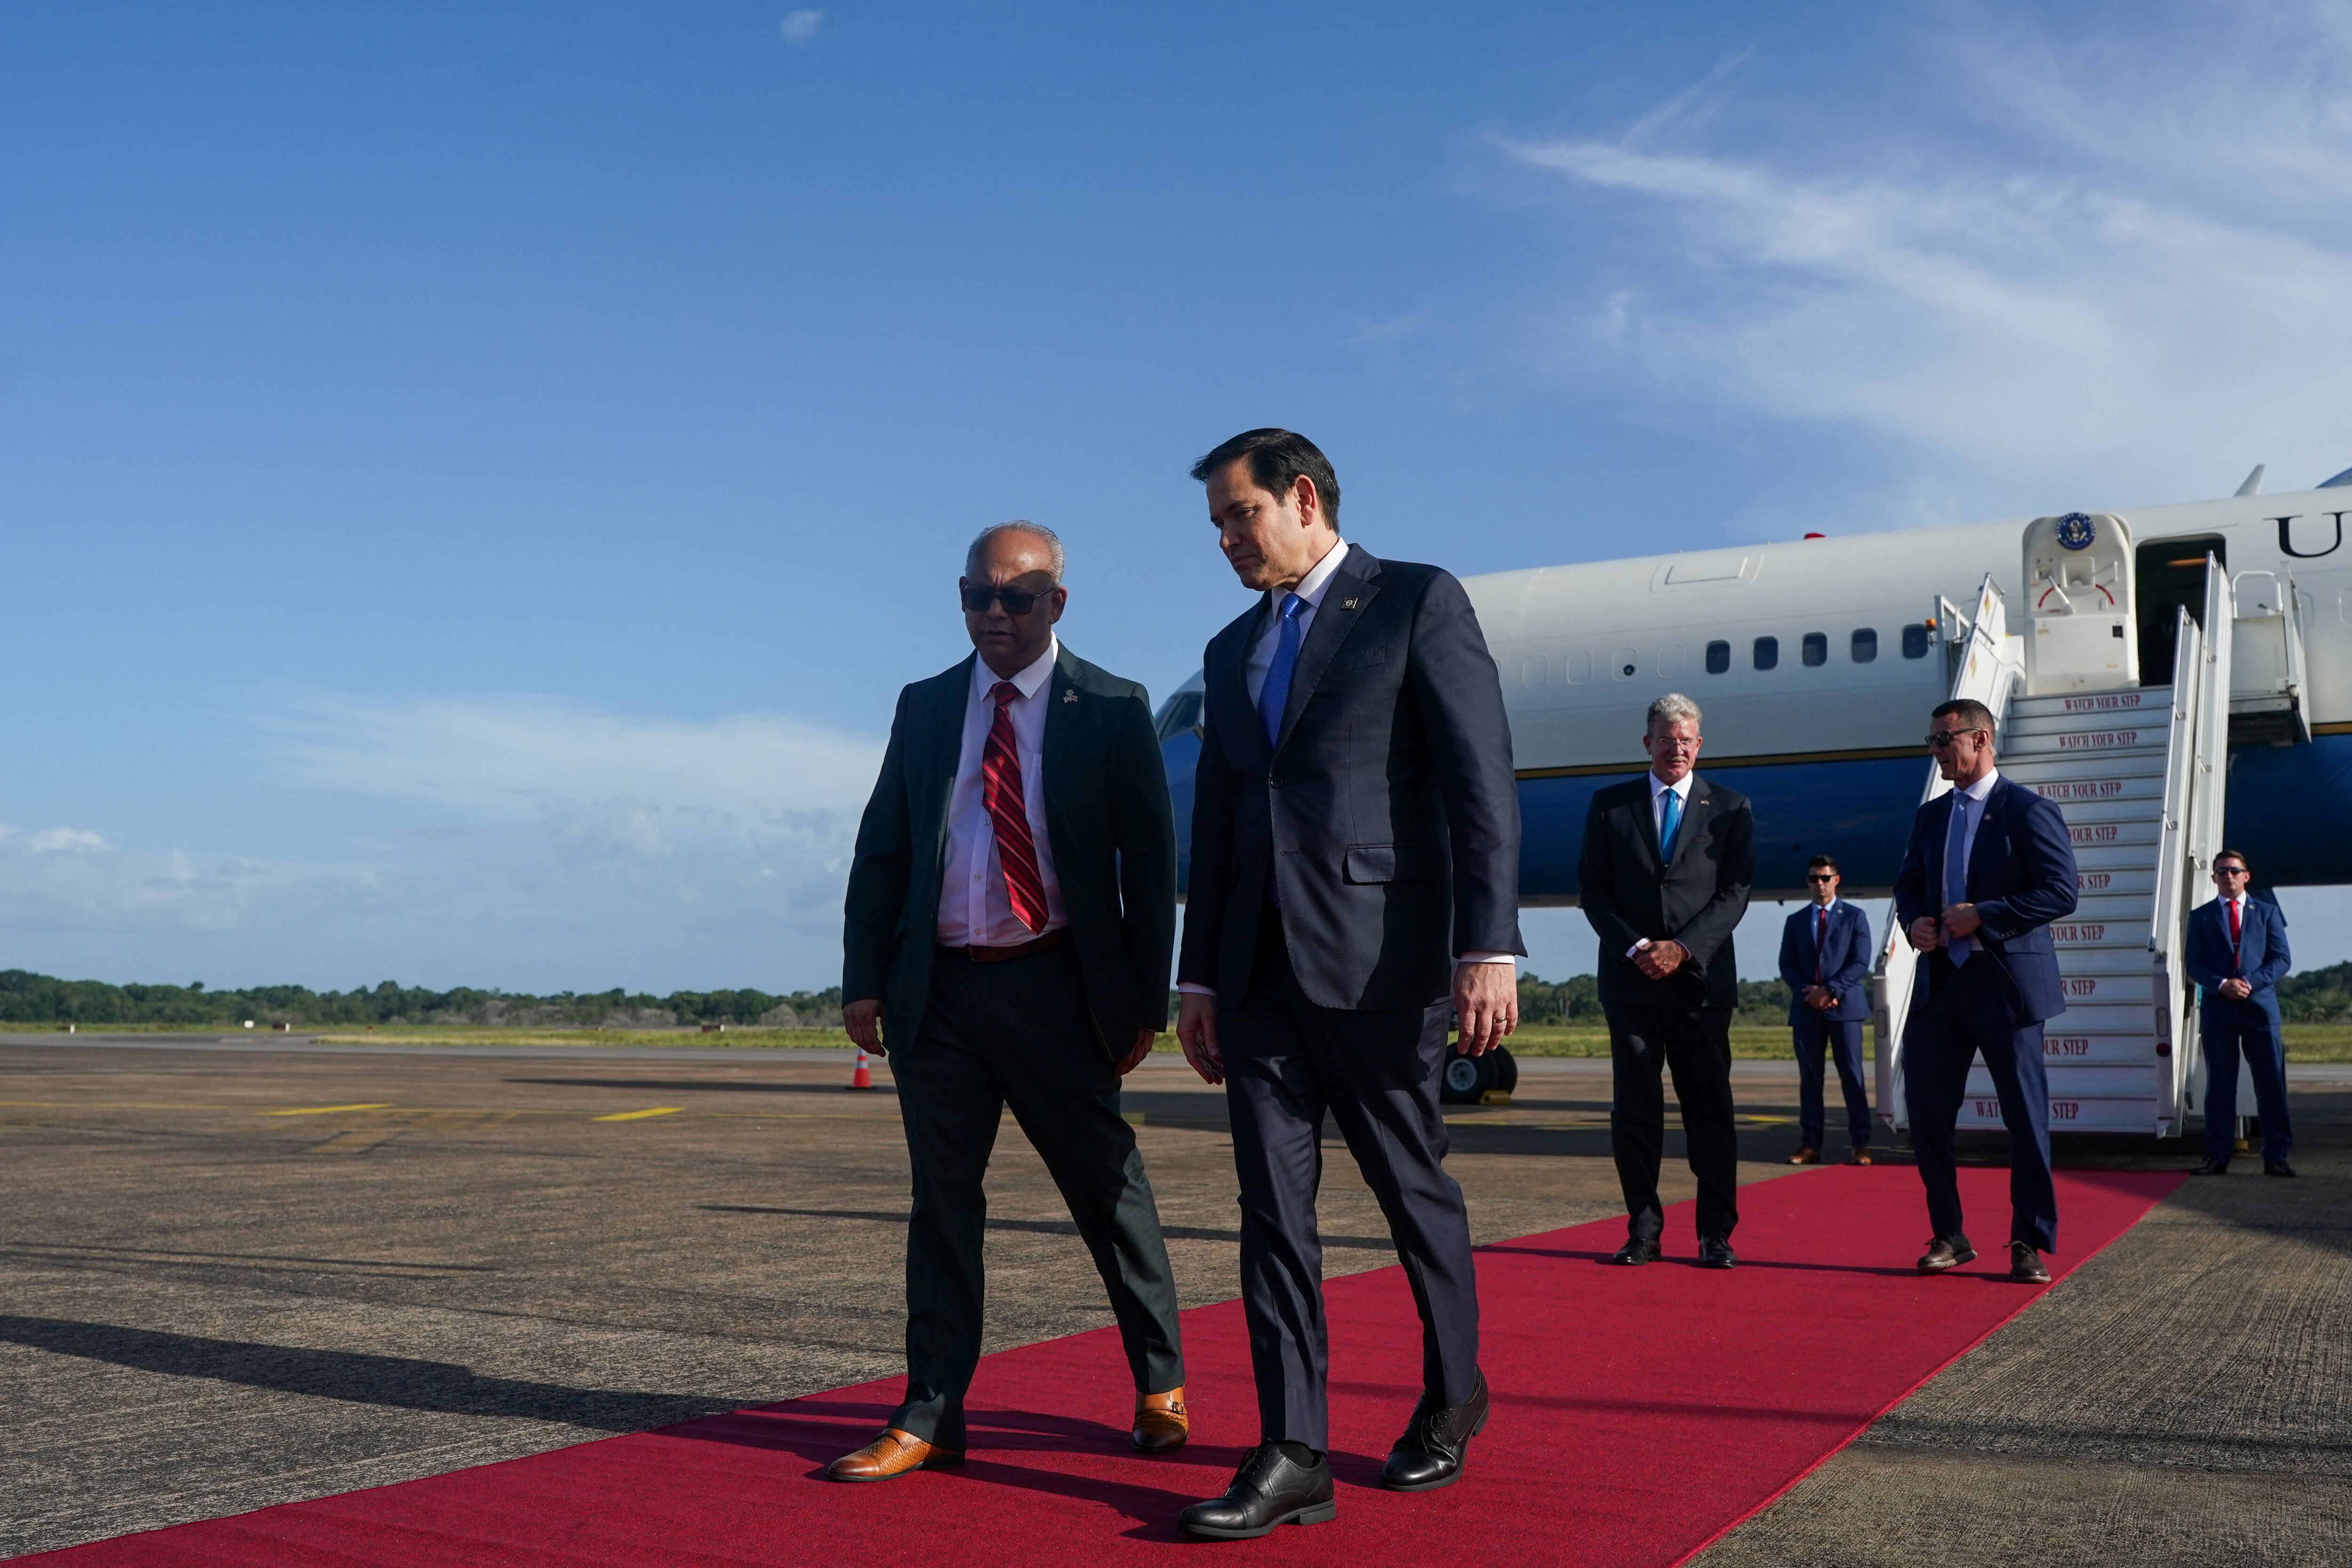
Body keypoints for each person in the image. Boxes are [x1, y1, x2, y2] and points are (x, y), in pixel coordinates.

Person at [1171, 429, 1522, 1539]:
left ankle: (1452, 1393)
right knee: (1272, 1218)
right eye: (1219, 524)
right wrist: (1195, 975)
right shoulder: (1233, 651)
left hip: (1384, 962)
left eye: (1240, 516)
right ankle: (1292, 1451)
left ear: (1303, 496)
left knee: (1412, 1195)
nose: (1227, 540)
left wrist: (1489, 946)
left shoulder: (1417, 602)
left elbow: (1481, 782)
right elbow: (1222, 824)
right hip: (1259, 976)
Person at [833, 521, 1189, 1480]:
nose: (994, 615)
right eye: (977, 596)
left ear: (1055, 605)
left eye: (1016, 599)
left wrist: (1141, 1006)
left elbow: (1149, 871)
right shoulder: (925, 705)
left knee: (1105, 1189)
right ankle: (933, 1410)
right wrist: (863, 975)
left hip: (1056, 983)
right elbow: (884, 846)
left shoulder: (1111, 708)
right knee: (941, 1207)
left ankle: (1160, 1379)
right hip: (938, 991)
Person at [1891, 697, 2077, 1285]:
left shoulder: (2026, 811)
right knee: (1926, 1115)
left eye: (1945, 741)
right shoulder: (1930, 816)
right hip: (1942, 986)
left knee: (2024, 1118)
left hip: (2005, 988)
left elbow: (2059, 892)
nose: (1937, 752)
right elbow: (1908, 888)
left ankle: (2029, 1239)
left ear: (1981, 739)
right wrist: (1915, 921)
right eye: (1932, 743)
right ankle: (1948, 1234)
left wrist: (1986, 915)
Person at [1578, 694, 1755, 1269]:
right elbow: (1594, 892)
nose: (1676, 747)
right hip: (1630, 984)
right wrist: (1637, 948)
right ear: (1646, 742)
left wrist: (1680, 949)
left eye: (1686, 739)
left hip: (1698, 986)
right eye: (1665, 737)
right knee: (1634, 1113)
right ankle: (1643, 1231)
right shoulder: (1609, 807)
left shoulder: (1729, 806)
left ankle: (1714, 1235)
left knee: (1709, 1112)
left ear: (1698, 745)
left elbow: (1735, 894)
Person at [2186, 850, 2296, 1177]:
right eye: (2221, 872)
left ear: (2247, 875)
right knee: (2220, 1085)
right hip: (2220, 1010)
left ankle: (2276, 1155)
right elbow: (2194, 964)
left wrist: (2248, 982)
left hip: (2259, 1009)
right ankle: (2217, 1155)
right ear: (2214, 878)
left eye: (2234, 870)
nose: (2228, 876)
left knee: (2270, 1084)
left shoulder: (2267, 913)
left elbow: (2281, 959)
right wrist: (2221, 985)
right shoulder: (2202, 917)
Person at [1777, 855, 1875, 1166]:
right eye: (1814, 878)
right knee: (1810, 1080)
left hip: (1844, 1009)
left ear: (1837, 879)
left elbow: (1860, 961)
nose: (1819, 883)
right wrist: (1809, 993)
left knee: (1852, 1077)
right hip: (1807, 1009)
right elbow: (1787, 964)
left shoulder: (1855, 917)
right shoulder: (1795, 920)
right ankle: (1810, 1144)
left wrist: (1832, 990)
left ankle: (1860, 1145)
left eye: (1825, 877)